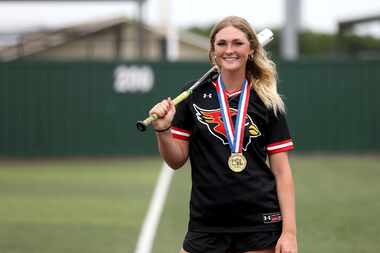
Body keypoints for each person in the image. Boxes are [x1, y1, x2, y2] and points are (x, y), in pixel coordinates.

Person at [149, 16, 298, 253]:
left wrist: (289, 233)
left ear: (250, 49)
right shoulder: (193, 95)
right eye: (222, 44)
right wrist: (163, 130)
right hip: (206, 223)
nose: (230, 50)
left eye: (238, 43)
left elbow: (282, 172)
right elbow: (176, 161)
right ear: (213, 51)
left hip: (259, 223)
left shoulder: (268, 100)